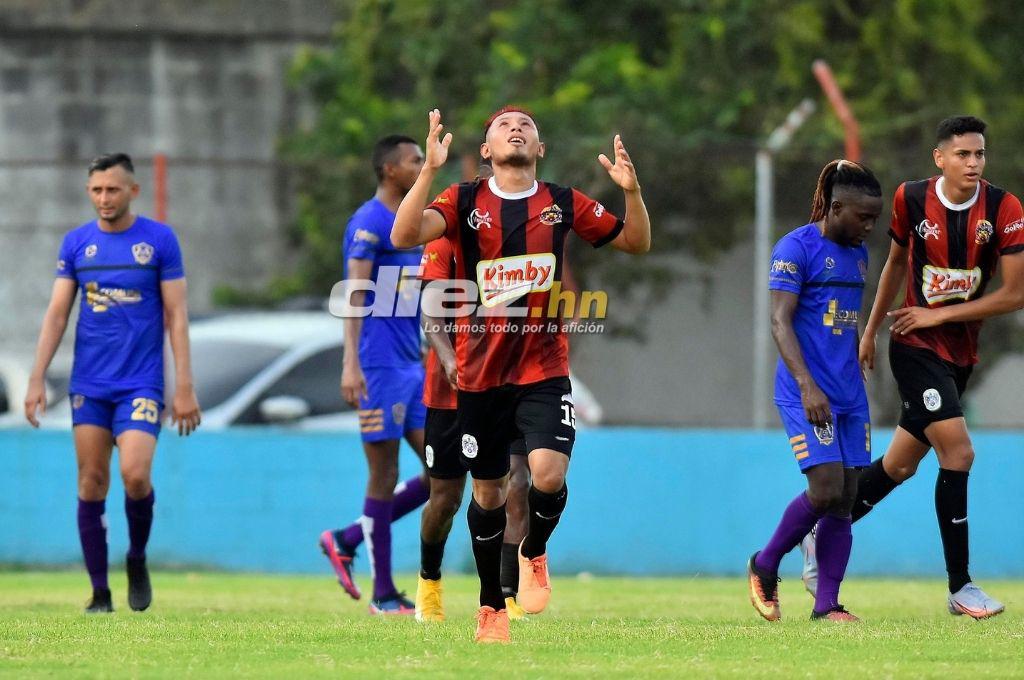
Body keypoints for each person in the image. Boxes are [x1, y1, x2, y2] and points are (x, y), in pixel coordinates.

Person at [392, 106, 650, 643]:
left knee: (544, 477)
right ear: (486, 150)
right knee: (476, 495)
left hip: (543, 368)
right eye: (504, 125)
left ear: (540, 148)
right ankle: (480, 601)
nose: (517, 128)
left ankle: (533, 553)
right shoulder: (461, 203)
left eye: (527, 125)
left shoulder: (561, 202)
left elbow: (636, 242)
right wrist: (429, 170)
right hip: (477, 377)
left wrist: (631, 192)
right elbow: (404, 235)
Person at [802, 116, 1024, 619]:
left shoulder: (1003, 208)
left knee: (900, 465)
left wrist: (939, 313)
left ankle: (820, 531)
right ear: (939, 158)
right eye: (962, 154)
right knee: (959, 452)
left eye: (980, 154)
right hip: (914, 345)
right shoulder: (912, 198)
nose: (973, 163)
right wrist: (870, 331)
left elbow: (1015, 294)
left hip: (960, 352)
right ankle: (961, 586)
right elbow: (896, 265)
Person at [24, 153, 201, 613]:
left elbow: (177, 314)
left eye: (113, 190)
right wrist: (36, 377)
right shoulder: (76, 244)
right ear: (89, 192)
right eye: (97, 190)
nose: (104, 198)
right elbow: (57, 314)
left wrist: (184, 386)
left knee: (136, 476)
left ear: (133, 192)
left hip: (141, 382)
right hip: (90, 384)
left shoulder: (159, 241)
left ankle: (137, 557)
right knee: (91, 481)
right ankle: (100, 592)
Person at [746, 160, 882, 623]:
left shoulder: (859, 254)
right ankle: (765, 564)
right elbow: (779, 321)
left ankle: (827, 605)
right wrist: (808, 386)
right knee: (824, 490)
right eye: (863, 217)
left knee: (845, 497)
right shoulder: (795, 248)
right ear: (836, 207)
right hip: (807, 392)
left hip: (849, 394)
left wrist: (860, 347)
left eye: (874, 218)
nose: (869, 226)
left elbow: (841, 314)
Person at [318, 135, 434, 615]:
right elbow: (354, 294)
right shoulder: (369, 222)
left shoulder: (413, 223)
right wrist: (351, 362)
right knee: (384, 474)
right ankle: (383, 593)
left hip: (412, 364)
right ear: (390, 170)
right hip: (378, 366)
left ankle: (346, 539)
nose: (423, 166)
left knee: (443, 470)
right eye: (415, 160)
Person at [414, 234, 531, 622]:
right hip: (450, 392)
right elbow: (430, 314)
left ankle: (505, 593)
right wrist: (449, 359)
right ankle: (429, 580)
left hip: (505, 386)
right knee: (446, 499)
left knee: (516, 484)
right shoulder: (444, 241)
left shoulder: (516, 240)